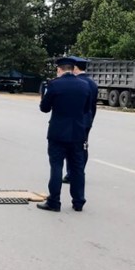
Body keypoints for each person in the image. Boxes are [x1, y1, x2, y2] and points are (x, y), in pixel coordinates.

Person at [38, 56, 94, 213]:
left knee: (56, 166)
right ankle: (78, 202)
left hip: (58, 133)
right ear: (72, 68)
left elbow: (44, 108)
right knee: (77, 167)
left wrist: (44, 95)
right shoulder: (84, 86)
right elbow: (86, 109)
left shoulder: (55, 85)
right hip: (78, 133)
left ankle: (54, 202)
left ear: (59, 69)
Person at [63, 56, 98, 184]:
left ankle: (70, 174)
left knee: (70, 147)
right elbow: (93, 106)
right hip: (87, 120)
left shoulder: (75, 83)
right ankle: (79, 172)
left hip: (73, 121)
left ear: (75, 68)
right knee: (83, 147)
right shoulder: (92, 83)